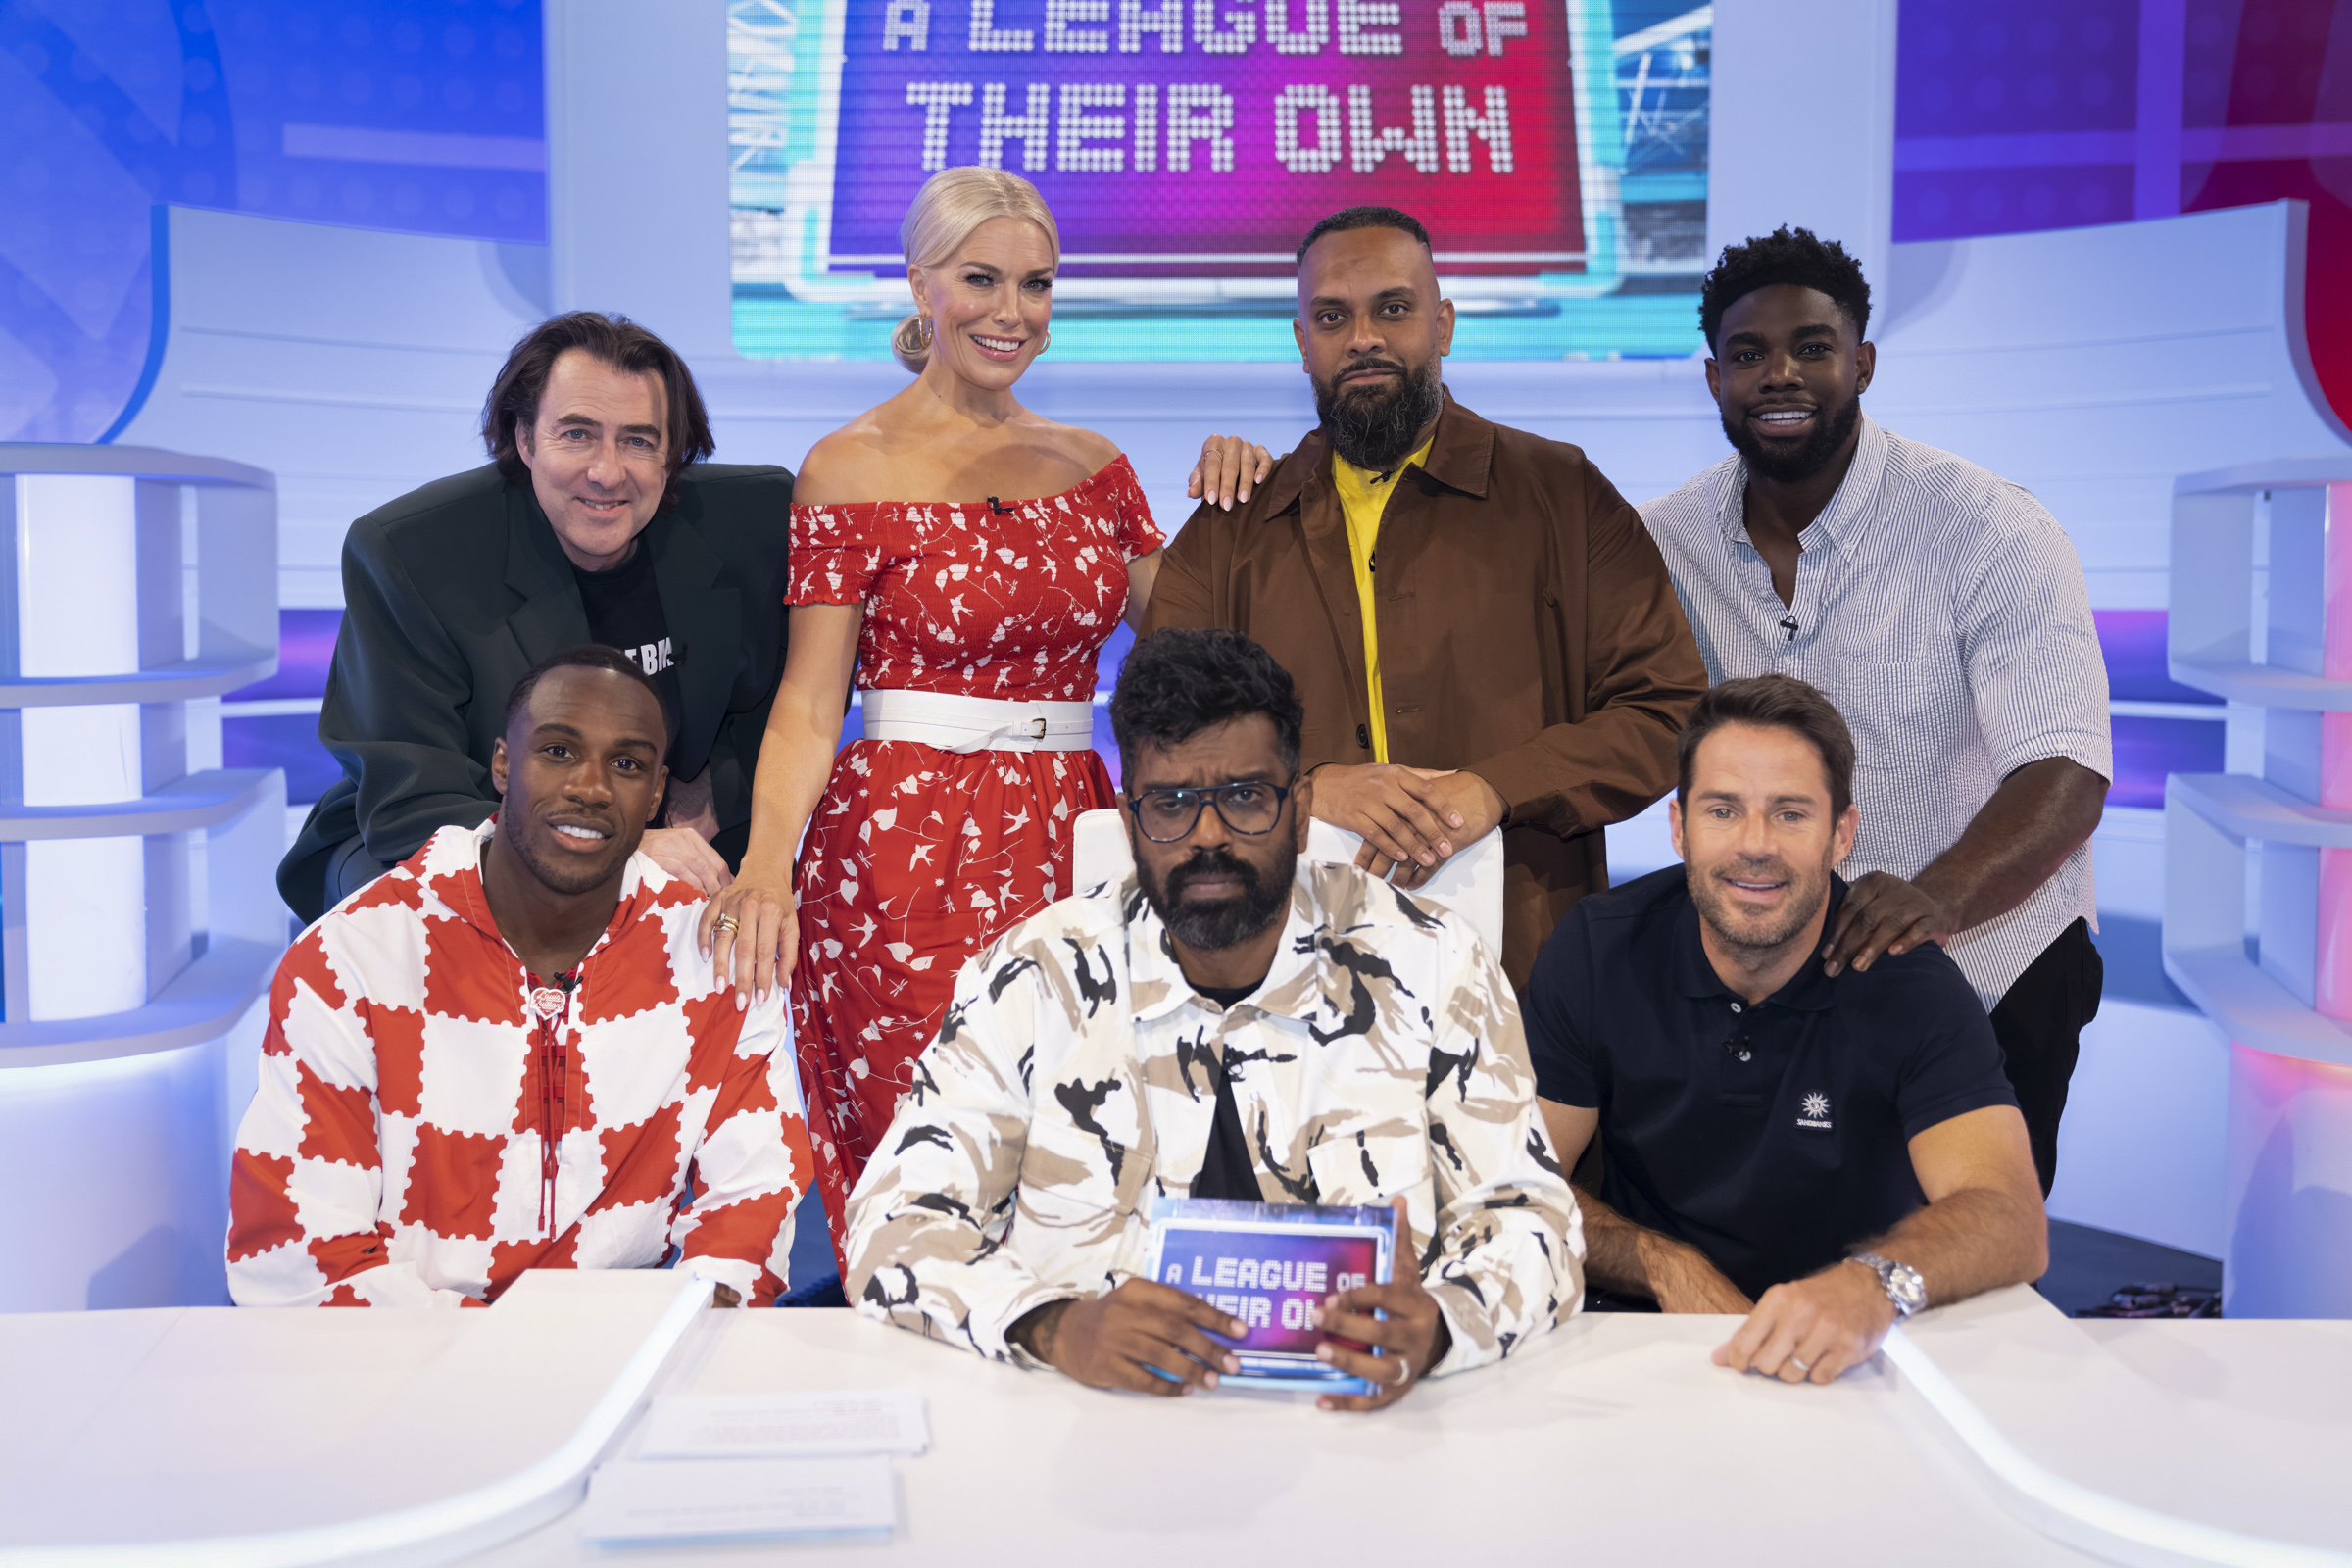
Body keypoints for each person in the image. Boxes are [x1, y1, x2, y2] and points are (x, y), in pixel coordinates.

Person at [697, 168, 1270, 1266]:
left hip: (1078, 842)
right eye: (981, 280)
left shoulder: (1095, 467)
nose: (1012, 311)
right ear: (922, 286)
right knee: (929, 1155)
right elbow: (809, 703)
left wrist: (1244, 497)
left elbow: (1198, 648)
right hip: (900, 857)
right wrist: (765, 864)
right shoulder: (845, 467)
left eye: (1036, 284)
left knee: (1084, 1145)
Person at [843, 629, 1579, 1410]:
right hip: (1090, 1421)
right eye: (1170, 804)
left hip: (1366, 1428)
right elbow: (894, 1223)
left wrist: (1439, 1328)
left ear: (1300, 811)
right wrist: (1056, 1329)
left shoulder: (1430, 962)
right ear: (1128, 823)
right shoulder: (1035, 974)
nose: (1209, 837)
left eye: (1244, 796)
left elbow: (1534, 1223)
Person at [1641, 228, 2111, 1192]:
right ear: (1714, 378)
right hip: (1778, 978)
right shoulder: (1663, 541)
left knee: (1966, 1256)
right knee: (1793, 1250)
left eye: (1811, 347)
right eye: (1748, 354)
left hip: (1991, 965)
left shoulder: (1988, 525)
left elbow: (2065, 769)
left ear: (1860, 363)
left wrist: (1935, 898)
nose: (1780, 374)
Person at [1144, 205, 1708, 991]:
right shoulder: (1231, 526)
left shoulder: (1563, 492)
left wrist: (1498, 788)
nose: (1363, 338)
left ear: (1443, 325)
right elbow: (1161, 732)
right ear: (1302, 343)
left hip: (1518, 962)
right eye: (1332, 317)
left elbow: (1666, 709)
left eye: (1393, 309)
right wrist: (1305, 788)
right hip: (1281, 967)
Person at [228, 647, 812, 1307]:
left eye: (626, 764)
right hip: (399, 1349)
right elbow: (299, 1260)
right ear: (503, 765)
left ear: (656, 793)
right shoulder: (351, 958)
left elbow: (750, 1206)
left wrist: (674, 1330)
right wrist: (504, 1353)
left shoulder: (715, 953)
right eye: (559, 752)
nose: (590, 787)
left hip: (620, 1347)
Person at [1527, 675, 2047, 1384]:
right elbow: (1517, 1182)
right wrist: (1666, 1266)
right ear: (1678, 828)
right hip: (1646, 1341)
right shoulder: (1598, 949)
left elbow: (2011, 1217)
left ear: (1842, 835)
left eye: (1791, 814)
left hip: (1854, 1355)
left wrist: (1870, 1284)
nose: (1756, 845)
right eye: (1723, 810)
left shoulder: (1910, 985)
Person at [278, 311, 794, 925]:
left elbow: (799, 693)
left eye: (638, 441)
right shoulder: (413, 553)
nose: (607, 472)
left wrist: (711, 790)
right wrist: (624, 849)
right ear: (524, 439)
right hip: (457, 832)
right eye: (576, 435)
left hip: (663, 821)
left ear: (672, 454)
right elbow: (411, 799)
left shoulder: (754, 522)